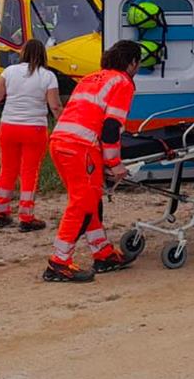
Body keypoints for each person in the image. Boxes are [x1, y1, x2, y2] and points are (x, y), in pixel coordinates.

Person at [41, 39, 142, 283]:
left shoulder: (91, 78)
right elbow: (110, 127)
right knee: (82, 204)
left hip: (60, 141)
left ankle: (102, 252)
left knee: (89, 199)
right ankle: (59, 262)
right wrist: (114, 163)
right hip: (81, 146)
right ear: (132, 63)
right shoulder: (123, 83)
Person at [0, 39, 62, 231]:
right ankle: (26, 217)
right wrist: (63, 125)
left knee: (7, 169)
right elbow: (54, 105)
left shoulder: (9, 72)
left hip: (8, 127)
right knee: (29, 171)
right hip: (34, 129)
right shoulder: (47, 76)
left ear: (22, 53)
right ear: (43, 55)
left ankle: (0, 212)